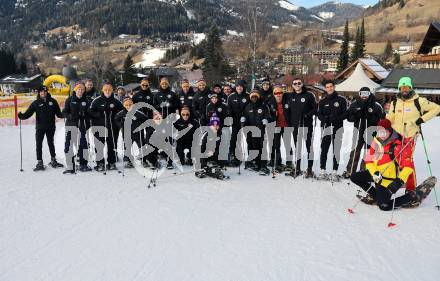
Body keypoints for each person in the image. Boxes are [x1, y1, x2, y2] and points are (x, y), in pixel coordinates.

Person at [350, 119, 427, 210]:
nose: (381, 134)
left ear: (389, 131)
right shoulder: (376, 142)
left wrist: (399, 181)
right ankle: (377, 197)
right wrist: (375, 173)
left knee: (384, 207)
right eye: (379, 131)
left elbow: (408, 167)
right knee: (354, 177)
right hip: (377, 176)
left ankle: (412, 196)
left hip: (389, 180)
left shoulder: (399, 145)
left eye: (383, 132)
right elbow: (368, 161)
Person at [386, 76, 440, 191]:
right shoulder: (395, 102)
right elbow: (390, 118)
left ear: (410, 88)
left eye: (406, 87)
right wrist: (383, 127)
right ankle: (399, 180)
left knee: (407, 161)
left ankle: (410, 189)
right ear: (399, 89)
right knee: (394, 159)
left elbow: (436, 108)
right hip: (396, 134)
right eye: (402, 87)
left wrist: (421, 120)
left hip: (410, 135)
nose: (404, 89)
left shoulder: (419, 101)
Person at [18, 85, 64, 171]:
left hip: (50, 127)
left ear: (47, 92)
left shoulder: (53, 101)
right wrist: (22, 116)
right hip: (40, 128)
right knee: (39, 145)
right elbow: (28, 113)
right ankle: (40, 162)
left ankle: (53, 160)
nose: (43, 93)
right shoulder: (36, 103)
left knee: (51, 143)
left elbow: (59, 114)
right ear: (39, 93)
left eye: (44, 91)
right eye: (41, 92)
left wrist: (65, 113)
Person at [342, 87, 384, 179]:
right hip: (358, 131)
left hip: (371, 132)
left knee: (368, 152)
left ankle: (363, 171)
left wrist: (371, 117)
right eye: (362, 93)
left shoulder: (376, 105)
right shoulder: (354, 104)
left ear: (369, 94)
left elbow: (381, 119)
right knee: (355, 151)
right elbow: (349, 117)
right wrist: (356, 116)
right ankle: (350, 171)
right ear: (359, 94)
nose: (364, 96)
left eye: (366, 93)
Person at [284, 77, 317, 178]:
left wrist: (308, 114)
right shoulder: (290, 96)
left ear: (302, 84)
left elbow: (316, 108)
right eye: (295, 83)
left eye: (299, 83)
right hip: (295, 126)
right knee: (297, 148)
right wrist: (289, 123)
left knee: (309, 147)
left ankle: (310, 169)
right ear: (292, 85)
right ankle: (297, 168)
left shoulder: (309, 95)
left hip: (306, 125)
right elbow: (287, 111)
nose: (297, 85)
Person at [88, 82, 124, 172]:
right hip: (99, 127)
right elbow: (90, 112)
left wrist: (117, 120)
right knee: (99, 146)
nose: (107, 91)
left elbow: (122, 112)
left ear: (112, 91)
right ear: (102, 90)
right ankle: (100, 163)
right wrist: (98, 114)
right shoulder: (96, 100)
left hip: (112, 128)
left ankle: (111, 163)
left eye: (109, 90)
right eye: (106, 90)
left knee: (112, 145)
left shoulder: (116, 101)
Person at [316, 80, 347, 181]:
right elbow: (319, 114)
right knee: (324, 149)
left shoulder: (341, 100)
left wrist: (337, 118)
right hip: (326, 127)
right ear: (325, 88)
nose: (329, 88)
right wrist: (324, 119)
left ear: (334, 87)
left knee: (336, 150)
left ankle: (334, 171)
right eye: (327, 87)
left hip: (338, 127)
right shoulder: (322, 101)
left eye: (331, 86)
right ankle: (322, 170)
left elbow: (345, 114)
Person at [62, 82, 92, 174]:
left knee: (83, 145)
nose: (80, 91)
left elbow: (90, 113)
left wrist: (85, 116)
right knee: (68, 145)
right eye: (79, 89)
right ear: (75, 90)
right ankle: (70, 166)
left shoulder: (86, 100)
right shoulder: (69, 100)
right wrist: (71, 116)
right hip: (71, 125)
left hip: (82, 126)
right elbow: (64, 112)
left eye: (82, 89)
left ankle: (83, 164)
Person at [242, 89, 271, 175]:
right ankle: (256, 162)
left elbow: (268, 116)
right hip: (251, 130)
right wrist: (243, 121)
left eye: (255, 96)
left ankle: (263, 165)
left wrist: (267, 119)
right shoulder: (247, 107)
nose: (254, 98)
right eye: (252, 96)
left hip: (261, 129)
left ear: (258, 97)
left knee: (262, 147)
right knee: (253, 146)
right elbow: (245, 118)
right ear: (250, 97)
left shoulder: (263, 106)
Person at [115, 98, 149, 168]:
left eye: (130, 105)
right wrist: (121, 125)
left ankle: (144, 160)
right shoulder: (121, 113)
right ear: (124, 105)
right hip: (127, 133)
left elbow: (146, 119)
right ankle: (129, 161)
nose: (128, 106)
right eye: (126, 105)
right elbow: (116, 119)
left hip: (138, 133)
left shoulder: (138, 113)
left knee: (141, 146)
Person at [194, 114, 224, 179]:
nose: (215, 127)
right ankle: (203, 168)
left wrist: (214, 152)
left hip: (215, 154)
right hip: (205, 154)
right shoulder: (205, 134)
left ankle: (217, 168)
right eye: (213, 125)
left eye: (217, 125)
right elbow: (200, 149)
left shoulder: (222, 134)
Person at [227, 79, 249, 166]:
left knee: (248, 139)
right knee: (234, 139)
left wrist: (245, 116)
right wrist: (230, 117)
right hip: (235, 122)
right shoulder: (231, 96)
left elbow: (250, 107)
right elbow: (229, 109)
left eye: (241, 86)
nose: (239, 88)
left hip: (246, 121)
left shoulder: (247, 96)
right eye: (238, 86)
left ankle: (251, 157)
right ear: (235, 87)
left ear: (243, 87)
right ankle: (234, 155)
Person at [267, 84, 288, 172]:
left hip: (286, 126)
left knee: (288, 145)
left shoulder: (287, 101)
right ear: (274, 94)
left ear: (282, 93)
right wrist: (272, 116)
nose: (278, 95)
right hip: (276, 127)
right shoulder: (270, 102)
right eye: (276, 93)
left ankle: (289, 162)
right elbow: (267, 115)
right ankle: (276, 161)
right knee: (276, 145)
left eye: (280, 93)